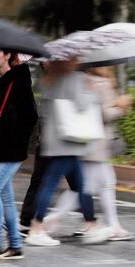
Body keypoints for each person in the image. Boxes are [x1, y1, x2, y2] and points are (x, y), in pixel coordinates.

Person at [25, 57, 109, 246]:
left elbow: (45, 111)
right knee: (50, 184)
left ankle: (91, 224)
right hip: (67, 143)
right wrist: (92, 91)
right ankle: (36, 229)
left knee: (80, 185)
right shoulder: (74, 77)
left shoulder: (50, 78)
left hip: (56, 141)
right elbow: (82, 105)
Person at [43, 66, 133, 241]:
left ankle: (111, 225)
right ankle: (54, 217)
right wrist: (121, 106)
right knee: (88, 187)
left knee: (93, 185)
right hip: (97, 143)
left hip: (90, 143)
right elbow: (105, 114)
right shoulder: (102, 83)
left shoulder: (88, 80)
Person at [0, 50, 38, 260]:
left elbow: (31, 115)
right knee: (4, 195)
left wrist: (16, 136)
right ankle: (15, 244)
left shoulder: (20, 79)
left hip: (12, 147)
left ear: (6, 55)